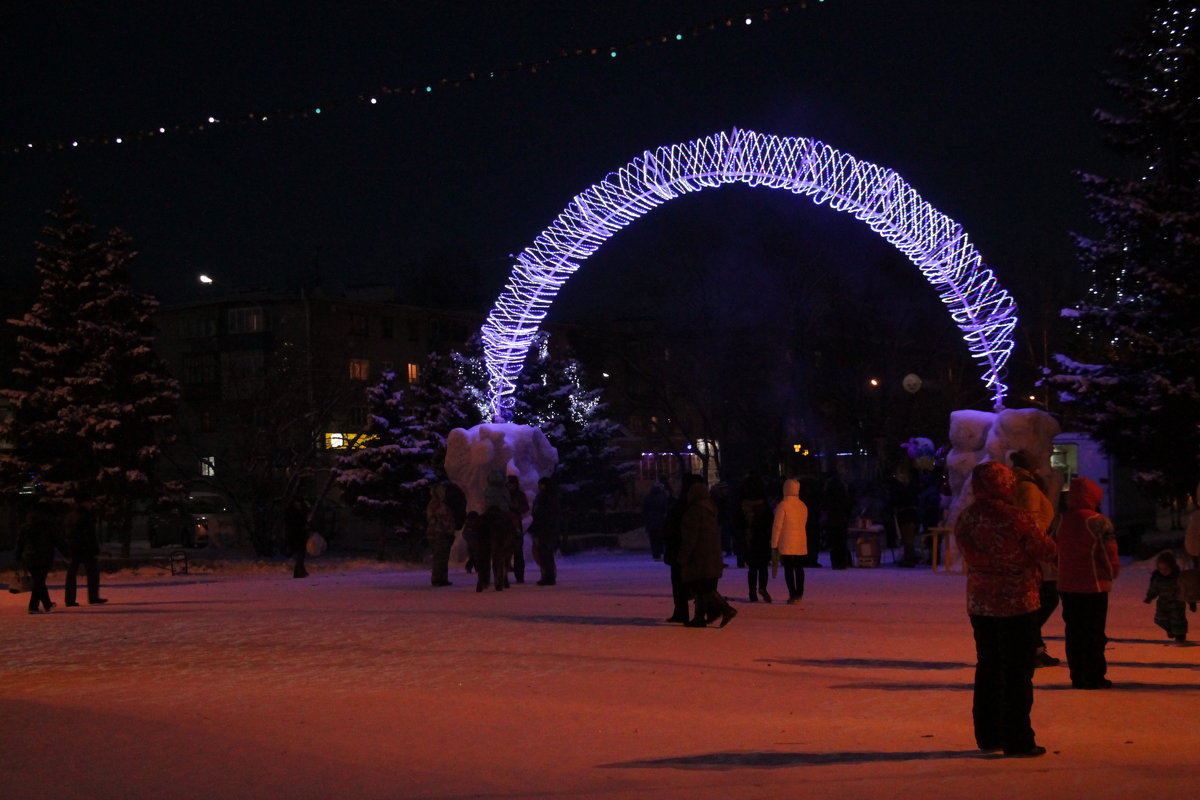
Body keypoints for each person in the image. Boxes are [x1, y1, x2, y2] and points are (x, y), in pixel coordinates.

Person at [954, 461, 1056, 757]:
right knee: (1017, 672)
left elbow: (967, 551)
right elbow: (1045, 549)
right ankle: (1018, 739)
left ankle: (988, 735)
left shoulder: (968, 518)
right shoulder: (1017, 517)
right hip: (1017, 603)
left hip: (981, 604)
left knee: (988, 667)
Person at [1056, 476, 1120, 690]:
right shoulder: (1098, 521)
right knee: (1093, 632)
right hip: (1094, 585)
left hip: (1066, 585)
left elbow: (1054, 547)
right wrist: (1111, 572)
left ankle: (1077, 674)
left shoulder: (1062, 520)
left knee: (1073, 631)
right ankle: (1093, 676)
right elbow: (1107, 551)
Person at [1009, 450, 1060, 667]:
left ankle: (1032, 646)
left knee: (1040, 599)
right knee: (1045, 597)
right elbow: (1030, 519)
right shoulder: (1027, 485)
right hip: (1033, 550)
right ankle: (1026, 643)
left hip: (1031, 548)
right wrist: (1040, 544)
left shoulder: (1022, 482)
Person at [678, 480, 736, 628]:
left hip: (699, 555)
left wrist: (683, 555)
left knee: (701, 587)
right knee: (703, 586)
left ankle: (725, 609)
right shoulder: (711, 508)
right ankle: (699, 617)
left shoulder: (694, 511)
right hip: (711, 554)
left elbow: (691, 536)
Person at [662, 473, 705, 623]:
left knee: (680, 582)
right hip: (690, 548)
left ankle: (682, 611)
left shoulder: (683, 504)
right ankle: (687, 612)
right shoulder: (700, 504)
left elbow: (673, 527)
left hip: (680, 547)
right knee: (692, 582)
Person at [15, 501, 60, 614]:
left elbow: (20, 543)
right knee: (39, 582)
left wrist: (18, 557)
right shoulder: (48, 525)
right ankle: (33, 606)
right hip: (44, 556)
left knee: (39, 580)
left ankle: (47, 604)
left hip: (29, 557)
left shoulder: (26, 526)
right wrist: (67, 553)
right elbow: (57, 540)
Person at [63, 493, 107, 606]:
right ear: (84, 502)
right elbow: (90, 534)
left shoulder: (70, 515)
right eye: (89, 502)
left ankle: (69, 599)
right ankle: (93, 597)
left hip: (72, 547)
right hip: (85, 548)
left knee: (71, 574)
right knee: (92, 572)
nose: (91, 504)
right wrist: (95, 549)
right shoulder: (86, 515)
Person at [771, 478, 809, 604]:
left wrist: (774, 544)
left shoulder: (782, 506)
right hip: (800, 541)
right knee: (799, 568)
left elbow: (778, 527)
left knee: (788, 569)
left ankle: (792, 594)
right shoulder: (802, 506)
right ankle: (800, 593)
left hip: (786, 542)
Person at [737, 475, 773, 602]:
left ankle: (752, 592)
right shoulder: (764, 505)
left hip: (749, 538)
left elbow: (738, 523)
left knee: (752, 568)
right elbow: (770, 522)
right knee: (763, 566)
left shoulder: (742, 505)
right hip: (762, 538)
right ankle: (762, 587)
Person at [1144, 550, 1192, 644]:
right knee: (1160, 619)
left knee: (1178, 620)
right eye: (1161, 569)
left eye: (1166, 569)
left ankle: (1180, 637)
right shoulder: (1157, 578)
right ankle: (1170, 630)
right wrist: (1150, 596)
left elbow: (1185, 590)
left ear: (1172, 567)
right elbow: (1154, 588)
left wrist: (1191, 602)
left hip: (1177, 602)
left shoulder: (1178, 577)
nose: (1163, 572)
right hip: (1163, 602)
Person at [528, 476, 562, 586]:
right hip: (542, 528)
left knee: (546, 553)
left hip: (546, 528)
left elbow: (547, 514)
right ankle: (546, 575)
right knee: (542, 553)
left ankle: (549, 576)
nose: (540, 487)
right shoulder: (542, 497)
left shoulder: (549, 497)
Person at [426, 485, 456, 587]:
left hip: (444, 532)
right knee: (439, 556)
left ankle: (442, 578)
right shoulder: (435, 504)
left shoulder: (441, 504)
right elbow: (439, 518)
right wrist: (446, 526)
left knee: (443, 556)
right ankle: (437, 578)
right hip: (439, 532)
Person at [822, 474, 852, 570]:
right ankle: (842, 562)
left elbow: (824, 505)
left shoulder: (827, 493)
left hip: (831, 520)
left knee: (833, 543)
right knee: (841, 542)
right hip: (841, 520)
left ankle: (835, 563)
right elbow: (848, 505)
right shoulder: (843, 493)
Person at [506, 474, 530, 584]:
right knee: (505, 552)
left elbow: (525, 508)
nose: (511, 486)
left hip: (516, 527)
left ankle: (519, 576)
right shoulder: (504, 495)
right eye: (509, 484)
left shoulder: (520, 495)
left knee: (518, 552)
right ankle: (504, 575)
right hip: (506, 526)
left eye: (513, 484)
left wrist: (517, 508)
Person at [641, 482, 669, 561]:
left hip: (651, 523)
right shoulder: (662, 497)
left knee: (653, 540)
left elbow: (644, 510)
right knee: (661, 539)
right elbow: (665, 509)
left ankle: (656, 555)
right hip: (661, 522)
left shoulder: (648, 497)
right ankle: (660, 553)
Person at [283, 496, 310, 579]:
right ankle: (300, 572)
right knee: (299, 555)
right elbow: (291, 524)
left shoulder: (301, 511)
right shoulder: (291, 512)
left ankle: (300, 572)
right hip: (295, 535)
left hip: (300, 535)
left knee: (301, 554)